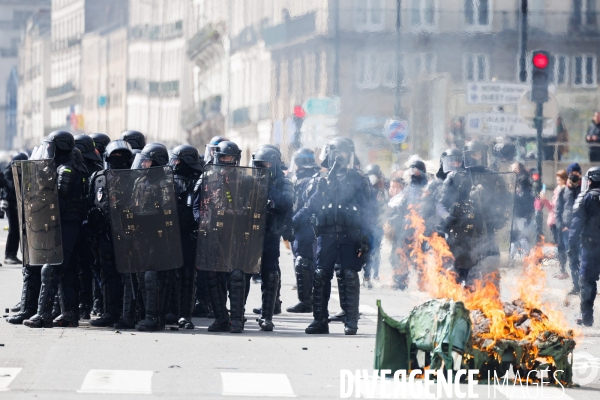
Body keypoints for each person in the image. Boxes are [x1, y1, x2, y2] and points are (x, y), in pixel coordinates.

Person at [295, 137, 373, 335]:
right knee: (321, 275)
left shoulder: (358, 179)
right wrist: (293, 223)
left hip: (350, 234)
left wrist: (366, 238)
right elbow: (311, 205)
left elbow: (369, 209)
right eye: (336, 153)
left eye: (344, 153)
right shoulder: (321, 179)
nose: (340, 157)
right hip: (327, 234)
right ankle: (320, 320)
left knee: (349, 275)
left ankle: (351, 320)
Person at [23, 131, 86, 328]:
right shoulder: (63, 166)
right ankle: (69, 313)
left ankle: (44, 315)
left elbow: (59, 199)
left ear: (59, 147)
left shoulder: (65, 170)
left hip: (67, 224)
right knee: (66, 270)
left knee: (51, 268)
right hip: (68, 224)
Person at [438, 140, 511, 285]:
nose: (477, 156)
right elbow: (442, 204)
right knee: (459, 271)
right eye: (474, 153)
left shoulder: (493, 177)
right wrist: (448, 218)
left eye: (479, 153)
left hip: (485, 230)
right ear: (467, 155)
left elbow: (505, 200)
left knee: (487, 270)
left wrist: (501, 217)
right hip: (460, 231)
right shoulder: (455, 176)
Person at [86, 140, 133, 327]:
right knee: (107, 273)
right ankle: (110, 312)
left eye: (121, 156)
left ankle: (128, 313)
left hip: (128, 234)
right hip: (104, 234)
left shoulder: (134, 177)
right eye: (114, 156)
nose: (118, 159)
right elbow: (90, 202)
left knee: (127, 276)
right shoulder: (98, 177)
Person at [251, 146, 293, 331]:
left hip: (271, 232)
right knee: (242, 273)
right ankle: (236, 316)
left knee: (270, 271)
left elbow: (285, 203)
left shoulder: (284, 183)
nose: (263, 168)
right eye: (260, 164)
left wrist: (270, 186)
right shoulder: (251, 180)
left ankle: (267, 315)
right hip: (250, 231)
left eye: (266, 164)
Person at [168, 145, 203, 329]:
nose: (174, 164)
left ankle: (185, 314)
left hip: (189, 234)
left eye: (177, 160)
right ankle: (170, 311)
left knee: (188, 275)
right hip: (170, 234)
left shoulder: (199, 181)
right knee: (170, 274)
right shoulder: (168, 180)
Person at [73, 134, 104, 320]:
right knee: (93, 267)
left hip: (86, 224)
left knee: (84, 268)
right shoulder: (97, 169)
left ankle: (85, 305)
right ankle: (97, 304)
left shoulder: (84, 169)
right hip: (91, 224)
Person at [385, 157, 428, 290]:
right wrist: (392, 224)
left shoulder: (427, 189)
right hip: (404, 230)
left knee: (421, 258)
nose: (414, 173)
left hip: (422, 231)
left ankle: (423, 283)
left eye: (417, 170)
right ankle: (400, 281)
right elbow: (394, 208)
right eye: (412, 170)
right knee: (400, 255)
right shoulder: (406, 191)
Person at [287, 148, 321, 313]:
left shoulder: (313, 179)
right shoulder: (298, 178)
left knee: (304, 263)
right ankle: (307, 299)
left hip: (307, 226)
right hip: (298, 227)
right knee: (300, 261)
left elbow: (309, 206)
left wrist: (293, 220)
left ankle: (306, 301)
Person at [569, 166, 600, 327]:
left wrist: (571, 247)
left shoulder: (586, 198)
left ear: (591, 180)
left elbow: (576, 225)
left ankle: (587, 317)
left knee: (587, 282)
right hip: (592, 245)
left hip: (591, 247)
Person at [536, 170, 568, 279]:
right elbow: (552, 208)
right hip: (554, 222)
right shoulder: (557, 190)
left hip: (559, 223)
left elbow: (561, 209)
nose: (557, 181)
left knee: (562, 247)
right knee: (560, 246)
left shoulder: (565, 191)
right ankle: (562, 270)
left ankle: (564, 270)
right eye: (557, 179)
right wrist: (544, 200)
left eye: (560, 179)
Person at [556, 163, 583, 295]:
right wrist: (561, 226)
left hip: (582, 230)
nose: (574, 175)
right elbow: (558, 210)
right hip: (568, 231)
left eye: (577, 173)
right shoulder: (563, 191)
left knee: (583, 258)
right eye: (572, 173)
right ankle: (576, 286)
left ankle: (584, 285)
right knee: (572, 258)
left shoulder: (585, 190)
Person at [362, 164, 388, 287]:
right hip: (367, 225)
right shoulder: (364, 190)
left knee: (376, 251)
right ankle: (366, 276)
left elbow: (385, 208)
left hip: (378, 226)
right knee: (368, 250)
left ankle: (375, 275)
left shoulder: (382, 191)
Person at [4, 152, 27, 265]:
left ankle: (12, 254)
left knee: (17, 230)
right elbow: (12, 187)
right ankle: (9, 255)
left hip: (18, 204)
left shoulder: (20, 173)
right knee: (13, 230)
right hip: (11, 204)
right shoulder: (8, 172)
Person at [510, 162, 535, 258]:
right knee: (515, 236)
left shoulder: (523, 179)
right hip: (517, 212)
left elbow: (523, 196)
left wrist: (515, 192)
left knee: (522, 236)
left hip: (522, 213)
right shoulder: (518, 178)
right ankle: (512, 256)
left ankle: (527, 255)